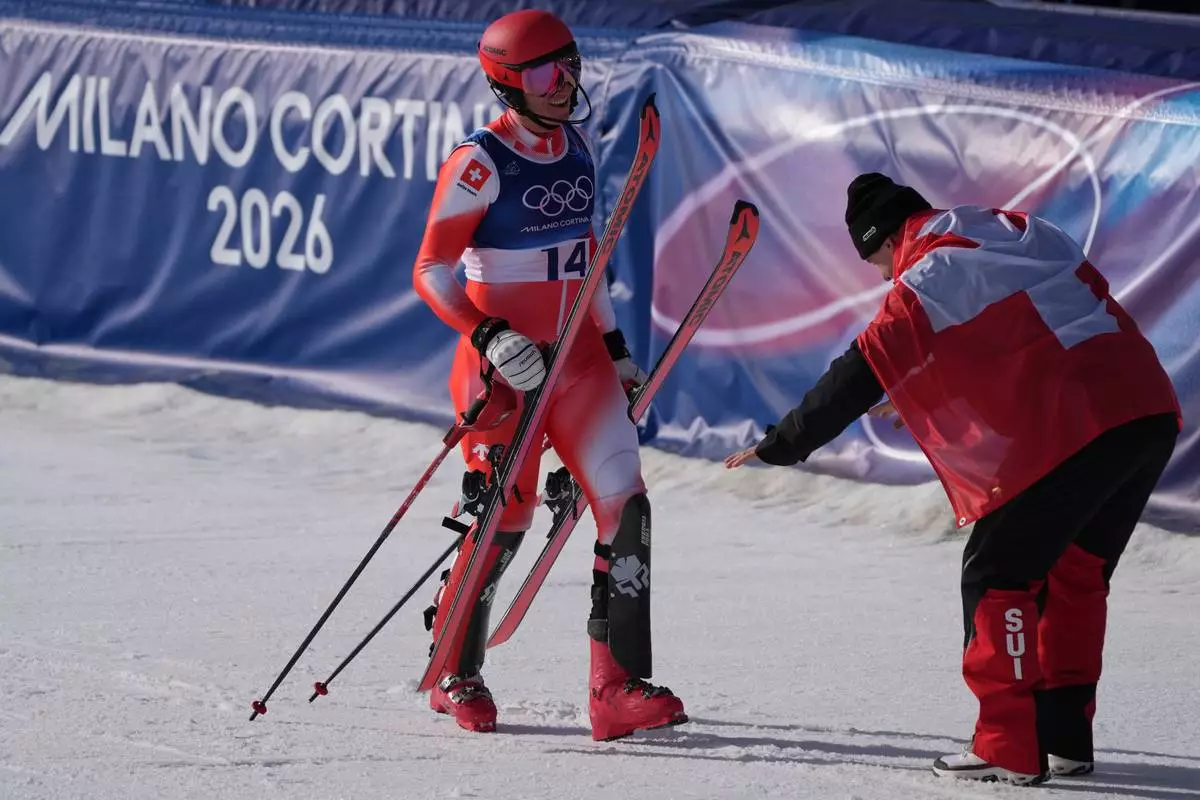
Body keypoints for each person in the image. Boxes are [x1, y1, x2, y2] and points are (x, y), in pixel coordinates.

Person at [725, 173, 1181, 784]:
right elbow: (1040, 318)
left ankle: (1007, 746)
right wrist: (917, 383)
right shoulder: (1015, 228)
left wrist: (781, 445)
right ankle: (1064, 739)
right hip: (1144, 408)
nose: (886, 278)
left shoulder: (929, 270)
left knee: (997, 574)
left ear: (884, 240)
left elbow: (856, 371)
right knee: (1074, 571)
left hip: (1078, 423)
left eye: (879, 264)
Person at [411, 9, 687, 740]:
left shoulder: (577, 145)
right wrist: (490, 335)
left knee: (627, 507)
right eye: (543, 73)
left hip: (580, 361)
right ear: (508, 84)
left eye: (570, 65)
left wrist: (619, 348)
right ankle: (454, 671)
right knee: (504, 517)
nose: (563, 84)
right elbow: (431, 269)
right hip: (504, 371)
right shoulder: (480, 162)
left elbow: (587, 262)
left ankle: (616, 688)